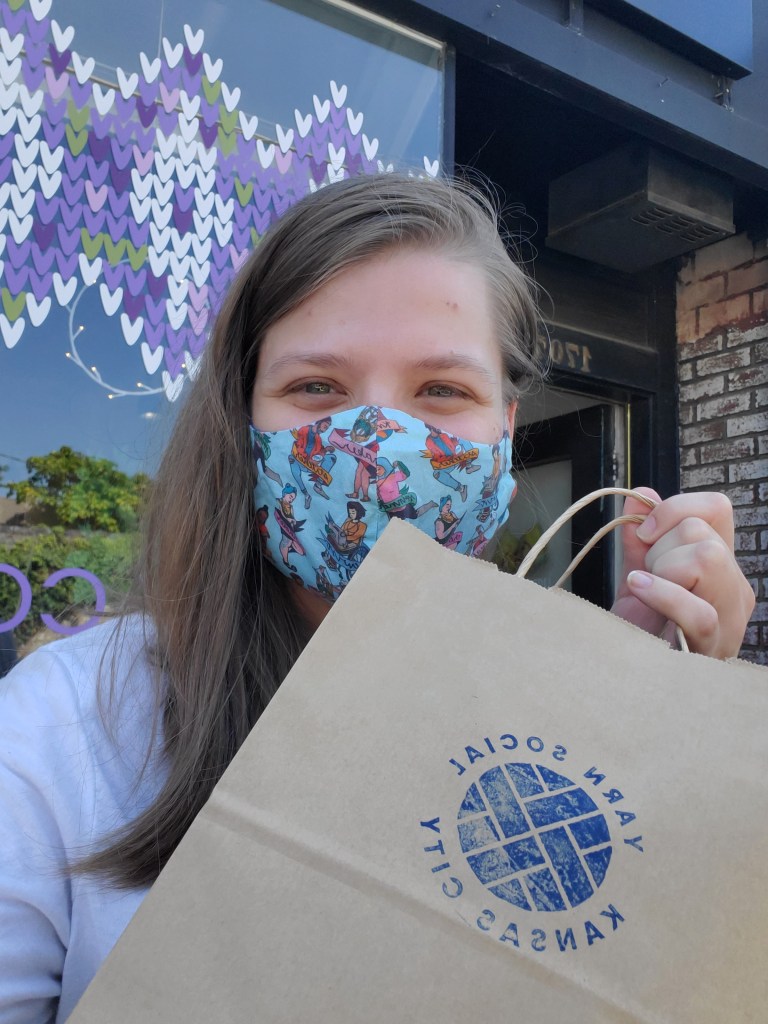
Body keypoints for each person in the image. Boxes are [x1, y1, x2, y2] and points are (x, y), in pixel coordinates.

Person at [0, 174, 755, 1021]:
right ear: (242, 420)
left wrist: (635, 720)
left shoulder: (553, 711)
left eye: (442, 391)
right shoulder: (62, 731)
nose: (377, 445)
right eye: (317, 388)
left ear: (505, 432)